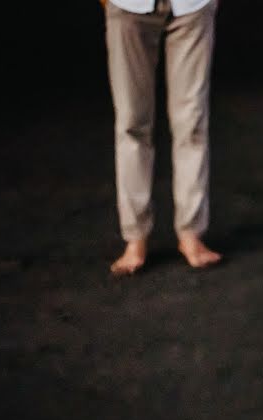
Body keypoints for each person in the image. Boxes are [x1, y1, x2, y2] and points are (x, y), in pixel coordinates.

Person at [102, 0, 222, 275]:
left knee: (191, 121)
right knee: (131, 121)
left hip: (192, 6)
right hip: (128, 6)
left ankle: (191, 233)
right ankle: (135, 237)